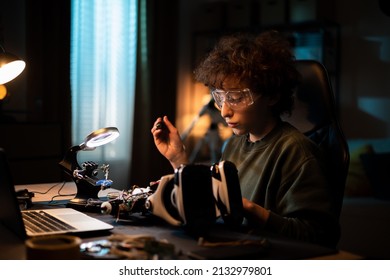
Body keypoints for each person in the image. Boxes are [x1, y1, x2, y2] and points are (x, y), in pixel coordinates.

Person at [151, 30, 340, 248]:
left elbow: (319, 235)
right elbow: (212, 204)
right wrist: (179, 159)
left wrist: (250, 209)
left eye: (236, 98)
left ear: (272, 96)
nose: (224, 111)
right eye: (220, 98)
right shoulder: (234, 144)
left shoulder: (296, 151)